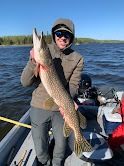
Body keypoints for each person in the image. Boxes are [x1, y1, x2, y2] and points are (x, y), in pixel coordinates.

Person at [21, 18, 84, 166]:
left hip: (60, 108)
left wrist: (70, 101)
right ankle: (43, 162)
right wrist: (33, 60)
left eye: (67, 35)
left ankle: (56, 163)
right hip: (39, 105)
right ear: (54, 34)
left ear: (71, 37)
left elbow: (74, 85)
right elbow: (25, 82)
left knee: (61, 144)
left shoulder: (78, 58)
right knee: (40, 144)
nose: (62, 37)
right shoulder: (45, 53)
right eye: (59, 33)